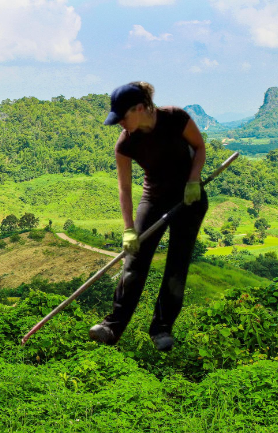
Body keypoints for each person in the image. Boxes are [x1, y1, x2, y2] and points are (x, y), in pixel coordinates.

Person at [89, 82, 208, 351]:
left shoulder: (175, 118)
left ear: (140, 108)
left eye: (123, 118)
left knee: (177, 265)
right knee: (134, 262)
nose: (120, 124)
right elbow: (124, 188)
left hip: (190, 198)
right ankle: (112, 327)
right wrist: (129, 229)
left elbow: (199, 148)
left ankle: (162, 329)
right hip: (153, 198)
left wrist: (193, 181)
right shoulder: (126, 143)